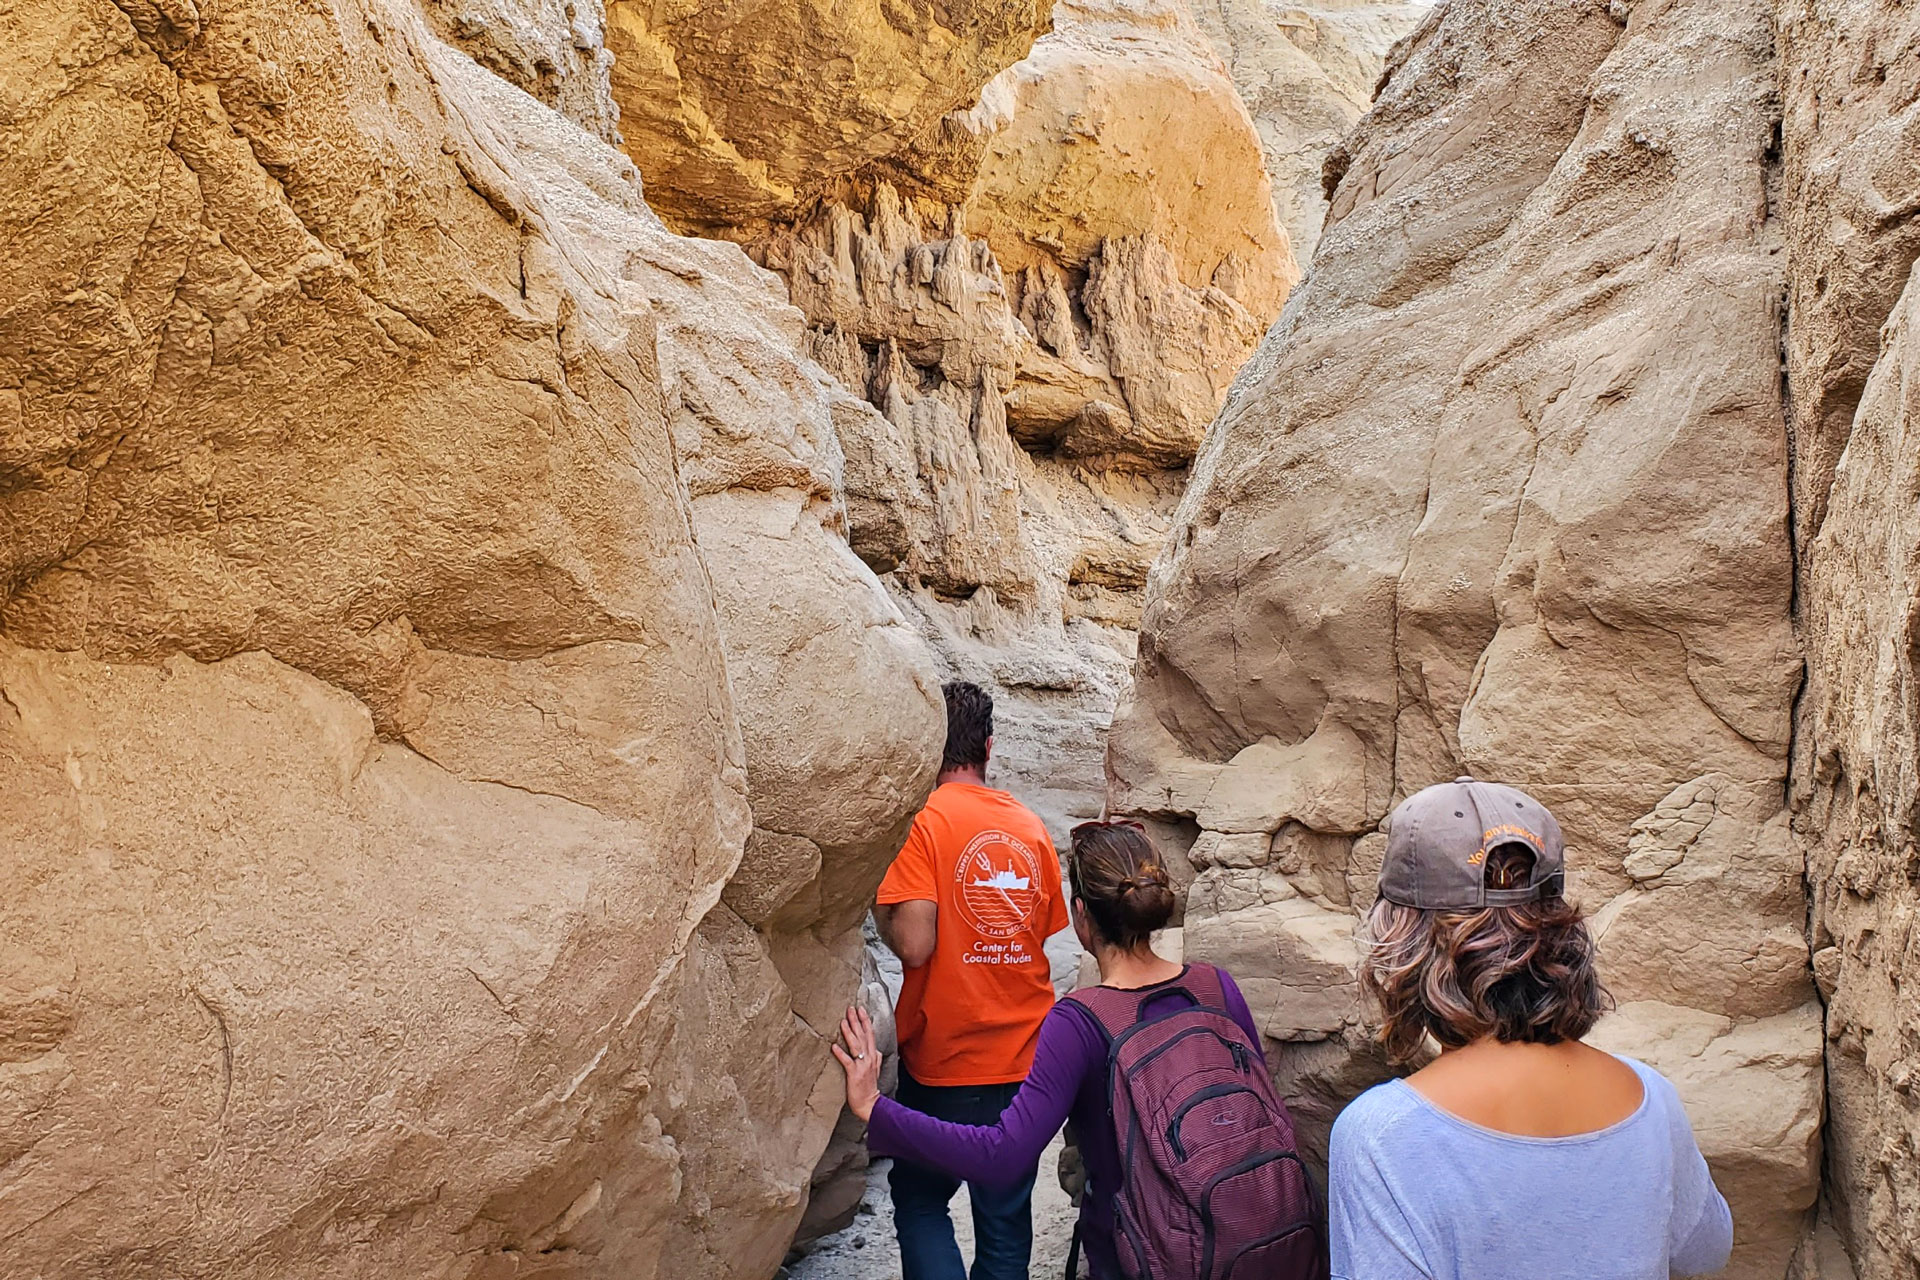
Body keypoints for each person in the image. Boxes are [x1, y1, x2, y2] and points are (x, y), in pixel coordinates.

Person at [842, 820, 1323, 1280]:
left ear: (1080, 915)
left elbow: (1001, 1155)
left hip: (1148, 1257)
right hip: (1259, 1239)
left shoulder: (1081, 1021)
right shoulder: (1216, 987)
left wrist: (874, 1108)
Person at [1330, 776, 1734, 1280]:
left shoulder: (1380, 1136)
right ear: (1561, 930)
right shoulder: (1651, 1096)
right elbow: (1706, 1250)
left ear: (1401, 940)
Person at [867, 680, 1070, 1280]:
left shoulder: (922, 822)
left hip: (944, 1058)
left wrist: (881, 907)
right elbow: (1035, 935)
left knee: (923, 1199)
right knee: (1005, 1221)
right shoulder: (1030, 828)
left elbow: (915, 944)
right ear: (988, 745)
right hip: (1023, 1060)